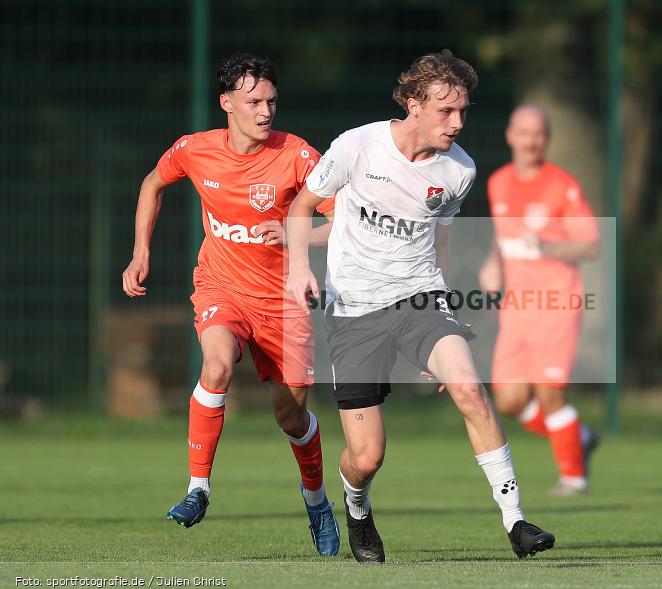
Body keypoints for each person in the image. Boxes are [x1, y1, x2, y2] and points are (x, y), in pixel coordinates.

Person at [285, 50, 555, 563]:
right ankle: (357, 509)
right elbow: (302, 208)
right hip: (354, 310)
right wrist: (300, 269)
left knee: (471, 389)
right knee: (367, 457)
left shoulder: (459, 169)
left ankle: (516, 521)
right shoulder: (359, 146)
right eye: (445, 111)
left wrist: (446, 311)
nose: (457, 123)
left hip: (420, 299)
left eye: (463, 111)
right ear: (413, 104)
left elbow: (441, 244)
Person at [121, 53, 340, 555]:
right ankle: (198, 489)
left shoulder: (298, 156)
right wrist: (140, 252)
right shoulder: (196, 150)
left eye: (271, 101)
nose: (266, 111)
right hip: (221, 287)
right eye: (254, 102)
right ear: (226, 103)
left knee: (291, 419)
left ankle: (316, 501)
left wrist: (295, 233)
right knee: (216, 366)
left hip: (285, 302)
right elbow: (152, 183)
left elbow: (341, 220)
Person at [479, 105, 601, 496]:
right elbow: (501, 236)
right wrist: (492, 264)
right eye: (524, 132)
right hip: (516, 309)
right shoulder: (498, 182)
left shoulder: (561, 186)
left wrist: (547, 246)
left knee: (550, 394)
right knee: (509, 399)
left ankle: (573, 479)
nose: (531, 141)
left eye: (538, 134)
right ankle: (578, 436)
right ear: (510, 135)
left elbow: (591, 243)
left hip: (556, 304)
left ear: (546, 139)